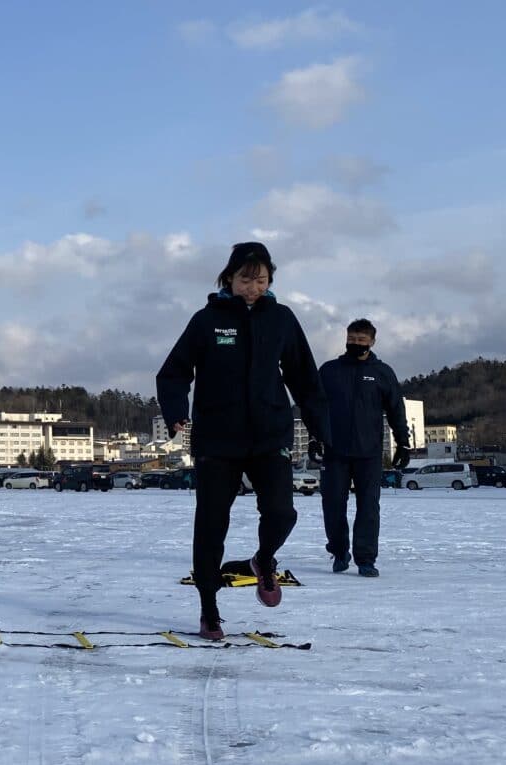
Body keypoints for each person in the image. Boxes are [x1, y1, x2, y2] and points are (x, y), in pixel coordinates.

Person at [157, 242, 330, 641]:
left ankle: (263, 560)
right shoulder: (206, 320)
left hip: (270, 434)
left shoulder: (282, 319)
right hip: (218, 439)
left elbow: (305, 378)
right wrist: (175, 412)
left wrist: (323, 431)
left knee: (282, 512)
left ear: (270, 282)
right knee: (211, 525)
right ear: (228, 278)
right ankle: (209, 609)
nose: (252, 287)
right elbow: (173, 372)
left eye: (261, 280)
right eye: (245, 279)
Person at [316, 319, 409, 579]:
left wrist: (403, 442)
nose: (355, 344)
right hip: (335, 452)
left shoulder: (382, 372)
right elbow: (315, 405)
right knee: (333, 505)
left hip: (368, 453)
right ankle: (339, 551)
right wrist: (315, 438)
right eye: (352, 339)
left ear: (372, 342)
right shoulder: (329, 370)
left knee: (368, 507)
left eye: (361, 340)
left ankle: (366, 559)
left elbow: (396, 409)